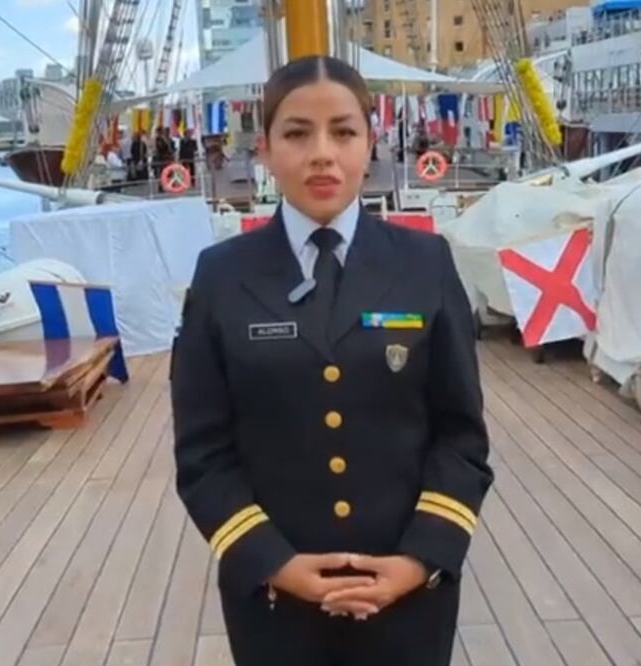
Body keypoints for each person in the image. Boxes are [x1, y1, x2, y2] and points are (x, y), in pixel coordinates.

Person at [171, 54, 492, 666]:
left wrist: (419, 560)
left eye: (343, 132)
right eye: (297, 133)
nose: (322, 153)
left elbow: (460, 437)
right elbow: (202, 454)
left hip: (407, 596)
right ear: (263, 148)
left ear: (371, 143)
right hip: (274, 601)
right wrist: (275, 563)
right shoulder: (221, 276)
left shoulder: (425, 264)